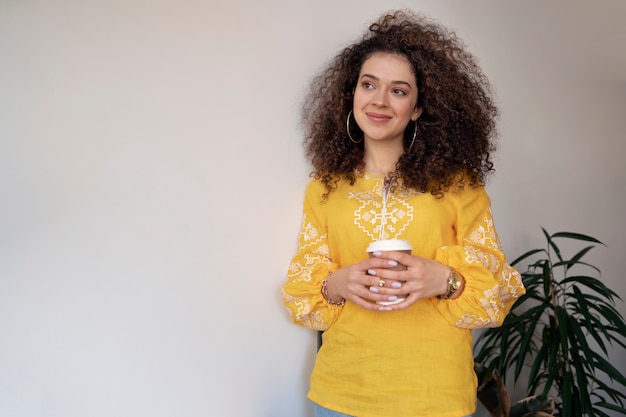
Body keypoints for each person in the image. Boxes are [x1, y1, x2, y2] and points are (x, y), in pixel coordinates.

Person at [282, 10, 525, 417]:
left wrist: (443, 279)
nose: (379, 100)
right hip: (342, 392)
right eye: (368, 85)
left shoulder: (458, 186)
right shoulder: (325, 189)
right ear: (351, 96)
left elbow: (497, 288)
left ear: (416, 109)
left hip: (435, 394)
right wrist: (337, 283)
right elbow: (304, 288)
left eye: (398, 90)